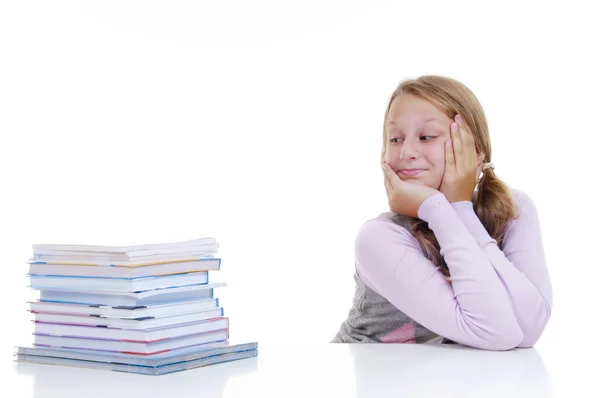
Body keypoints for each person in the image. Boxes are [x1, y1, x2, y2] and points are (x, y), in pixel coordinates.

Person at [331, 75, 553, 350]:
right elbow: (497, 333)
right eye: (395, 138)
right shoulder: (378, 237)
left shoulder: (513, 210)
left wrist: (460, 210)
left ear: (476, 151)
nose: (407, 152)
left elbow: (528, 331)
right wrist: (439, 209)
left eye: (427, 137)